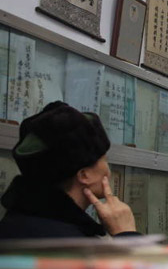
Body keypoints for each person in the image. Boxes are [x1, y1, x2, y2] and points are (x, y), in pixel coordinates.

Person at [0, 101, 138, 239]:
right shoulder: (73, 245)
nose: (108, 171)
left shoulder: (17, 223)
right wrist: (127, 235)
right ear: (84, 175)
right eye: (105, 160)